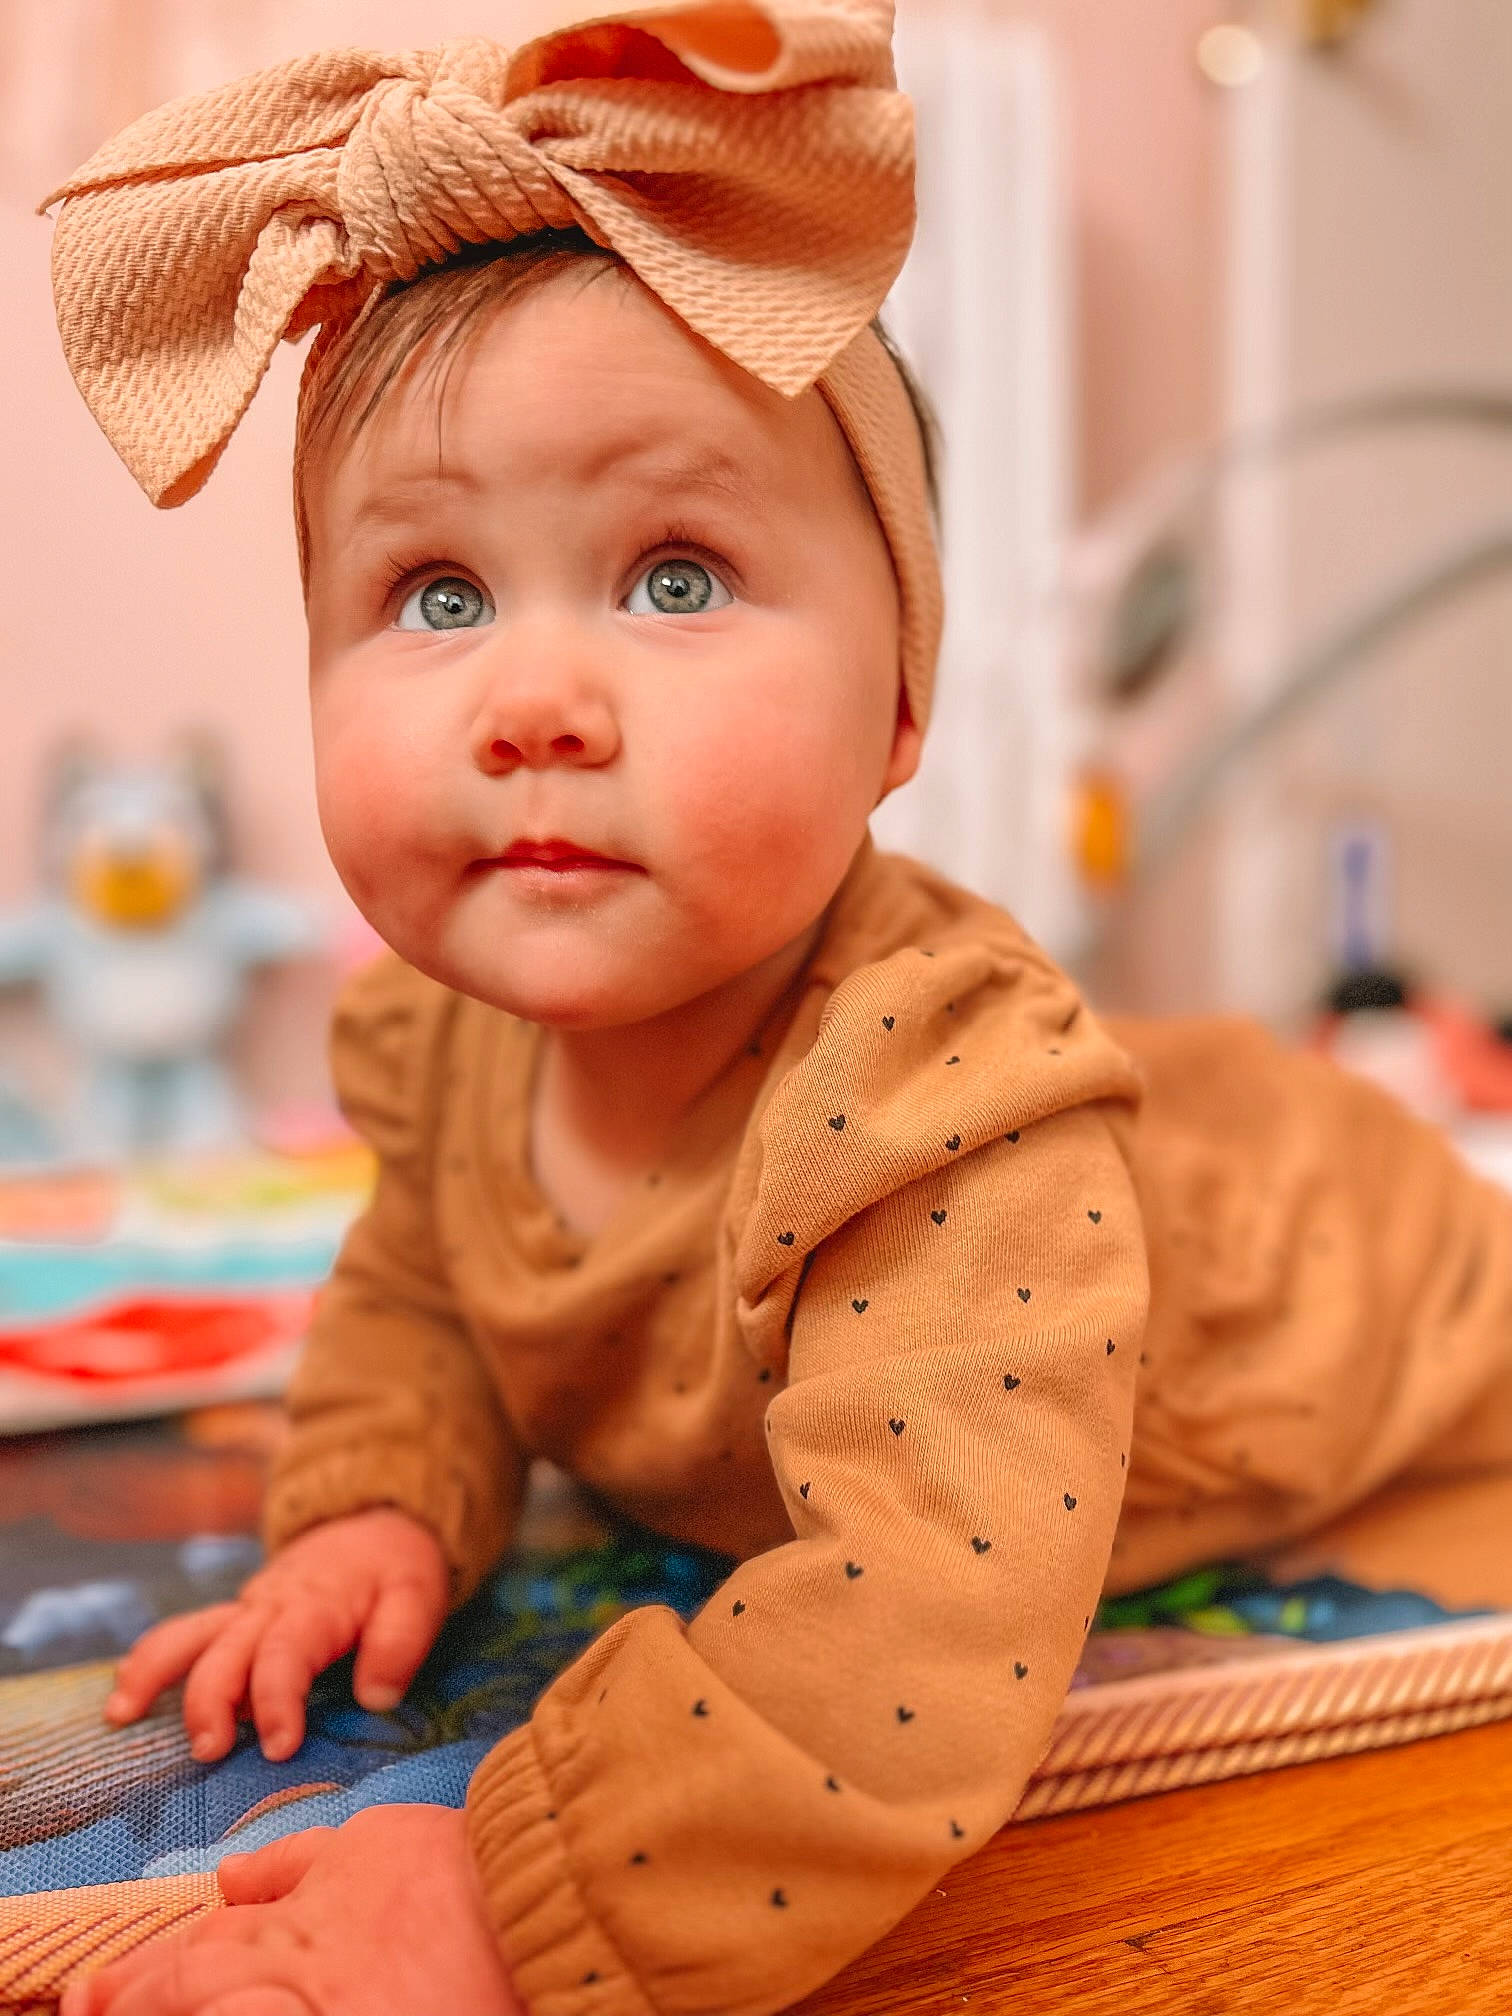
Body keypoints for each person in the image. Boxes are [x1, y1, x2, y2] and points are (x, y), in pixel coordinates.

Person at [44, 4, 1512, 2013]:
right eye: (439, 595)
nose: (534, 700)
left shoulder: (941, 1109)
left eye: (671, 576)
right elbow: (423, 1283)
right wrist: (379, 1504)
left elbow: (920, 1634)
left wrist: (507, 1897)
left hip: (1362, 1263)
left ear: (898, 707)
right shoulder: (449, 1046)